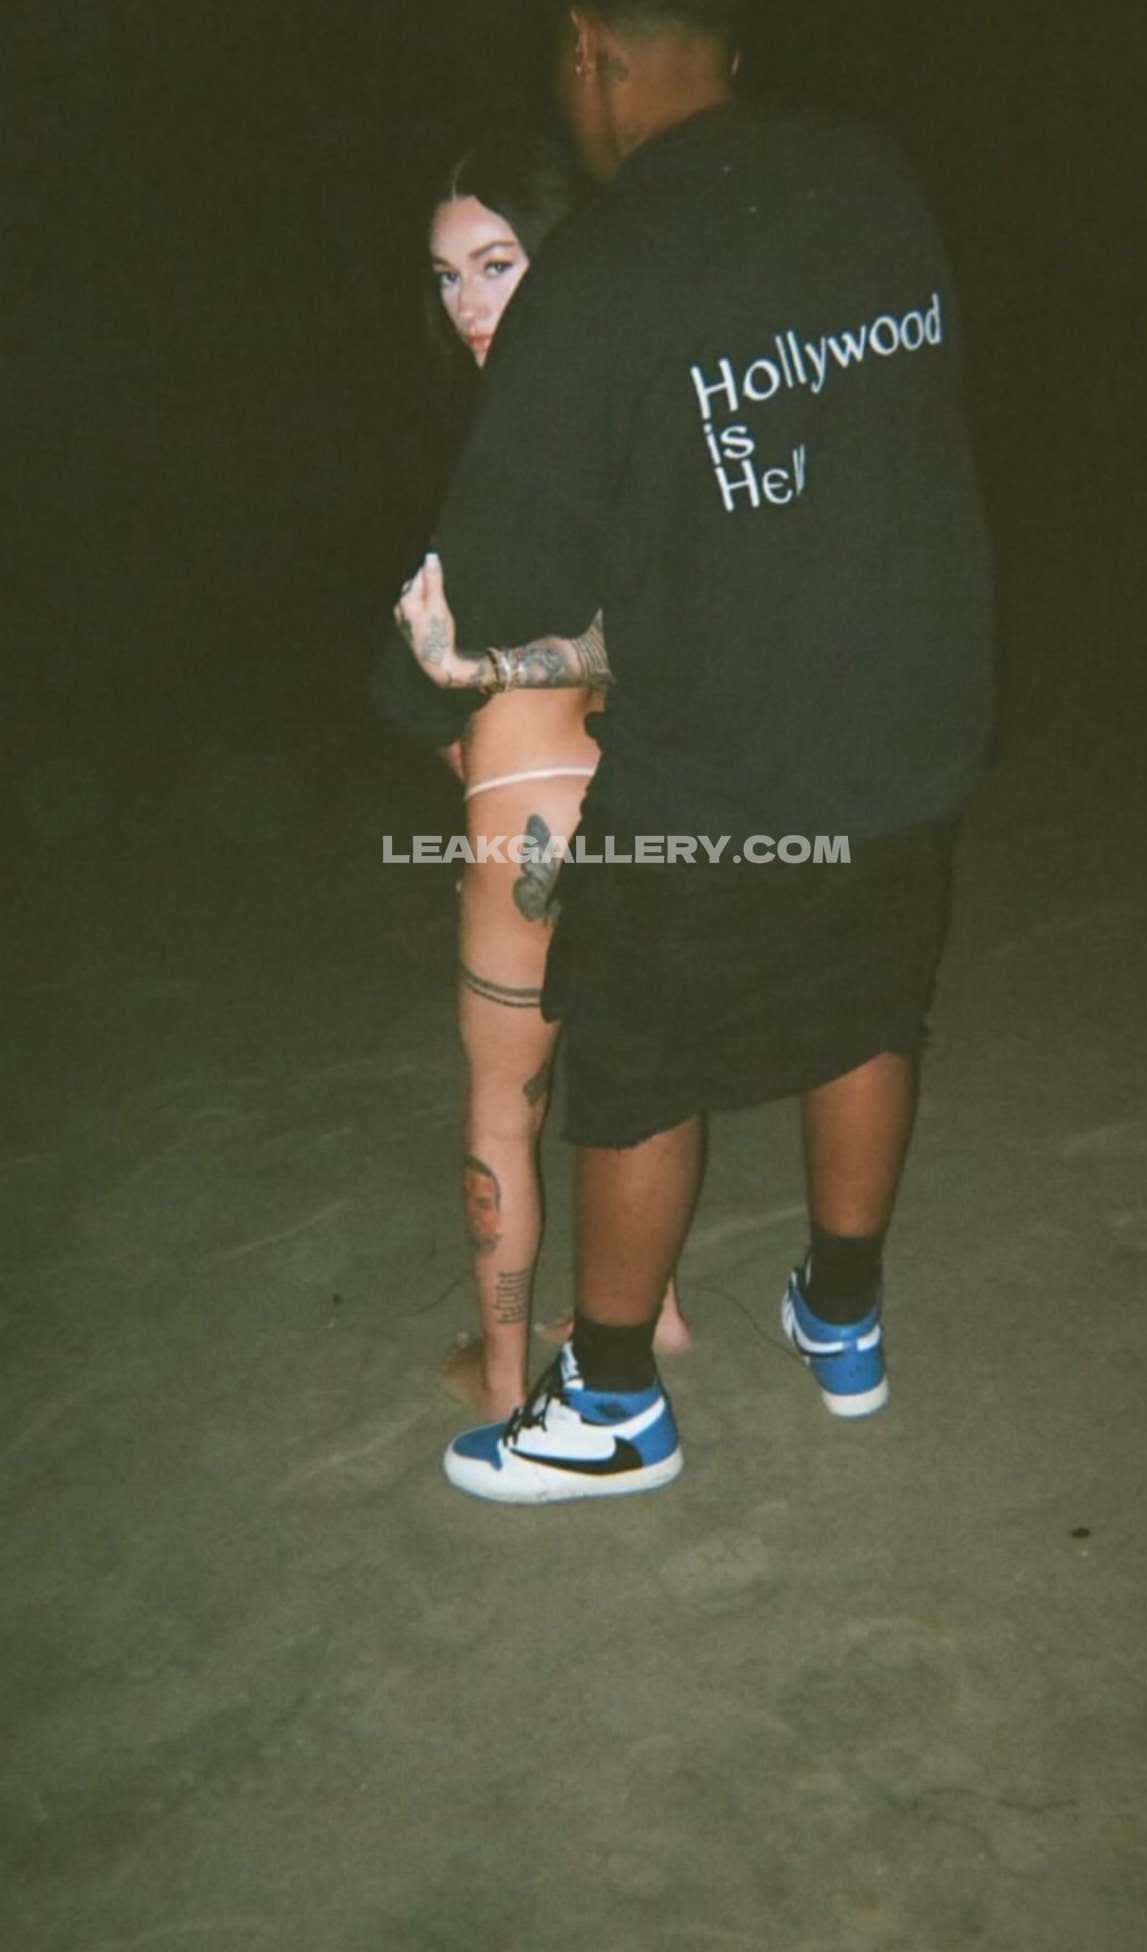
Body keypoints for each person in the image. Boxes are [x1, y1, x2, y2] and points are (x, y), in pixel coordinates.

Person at [400, 0, 994, 1504]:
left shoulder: (610, 261)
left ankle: (611, 1406)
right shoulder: (870, 176)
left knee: (639, 1063)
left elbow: (510, 571)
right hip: (917, 703)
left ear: (586, 49)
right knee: (869, 1011)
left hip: (729, 754)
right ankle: (842, 1319)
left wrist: (443, 661)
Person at [387, 134, 690, 1422]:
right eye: (447, 275)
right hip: (652, 779)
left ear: (561, 260)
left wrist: (456, 676)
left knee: (504, 1103)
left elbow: (447, 671)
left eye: (498, 264)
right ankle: (654, 1311)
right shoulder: (644, 406)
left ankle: (508, 1382)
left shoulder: (524, 438)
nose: (468, 303)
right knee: (634, 1063)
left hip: (531, 787)